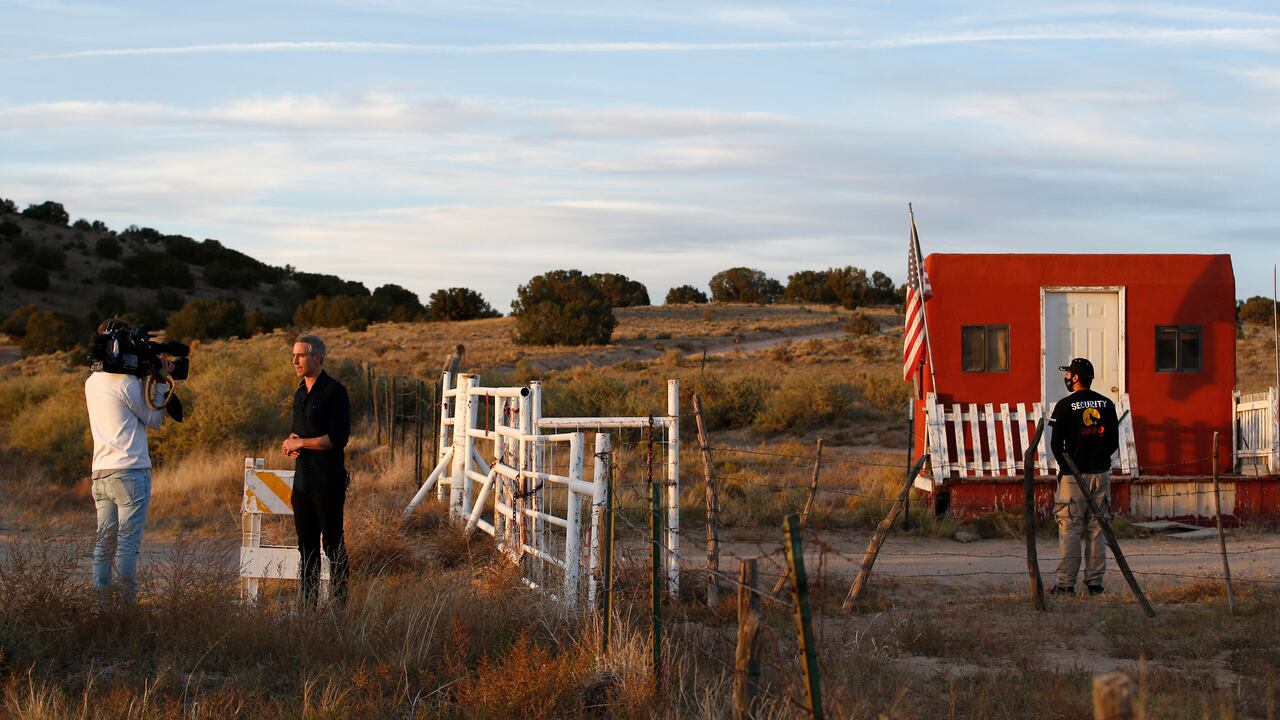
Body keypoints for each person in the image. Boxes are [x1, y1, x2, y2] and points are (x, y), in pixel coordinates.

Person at [84, 318, 175, 602]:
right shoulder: (125, 382)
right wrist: (159, 380)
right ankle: (125, 609)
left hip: (101, 472)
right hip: (131, 471)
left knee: (104, 544)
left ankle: (101, 608)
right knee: (127, 546)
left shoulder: (92, 381)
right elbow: (155, 419)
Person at [281, 334, 350, 607]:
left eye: (300, 355)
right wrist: (292, 443)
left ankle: (339, 606)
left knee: (333, 545)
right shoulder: (299, 392)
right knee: (305, 548)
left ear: (318, 356)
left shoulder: (335, 392)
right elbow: (301, 433)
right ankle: (308, 607)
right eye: (293, 355)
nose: (294, 360)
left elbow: (337, 439)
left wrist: (302, 443)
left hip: (327, 482)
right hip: (302, 483)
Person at [1048, 357, 1119, 597]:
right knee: (1097, 528)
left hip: (1072, 477)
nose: (1066, 378)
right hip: (1100, 475)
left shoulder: (1065, 406)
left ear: (1076, 377)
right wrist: (1097, 460)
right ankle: (1095, 583)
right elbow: (1113, 443)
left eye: (1068, 374)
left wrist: (1067, 467)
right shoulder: (1107, 404)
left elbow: (1056, 445)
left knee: (1069, 529)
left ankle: (1066, 584)